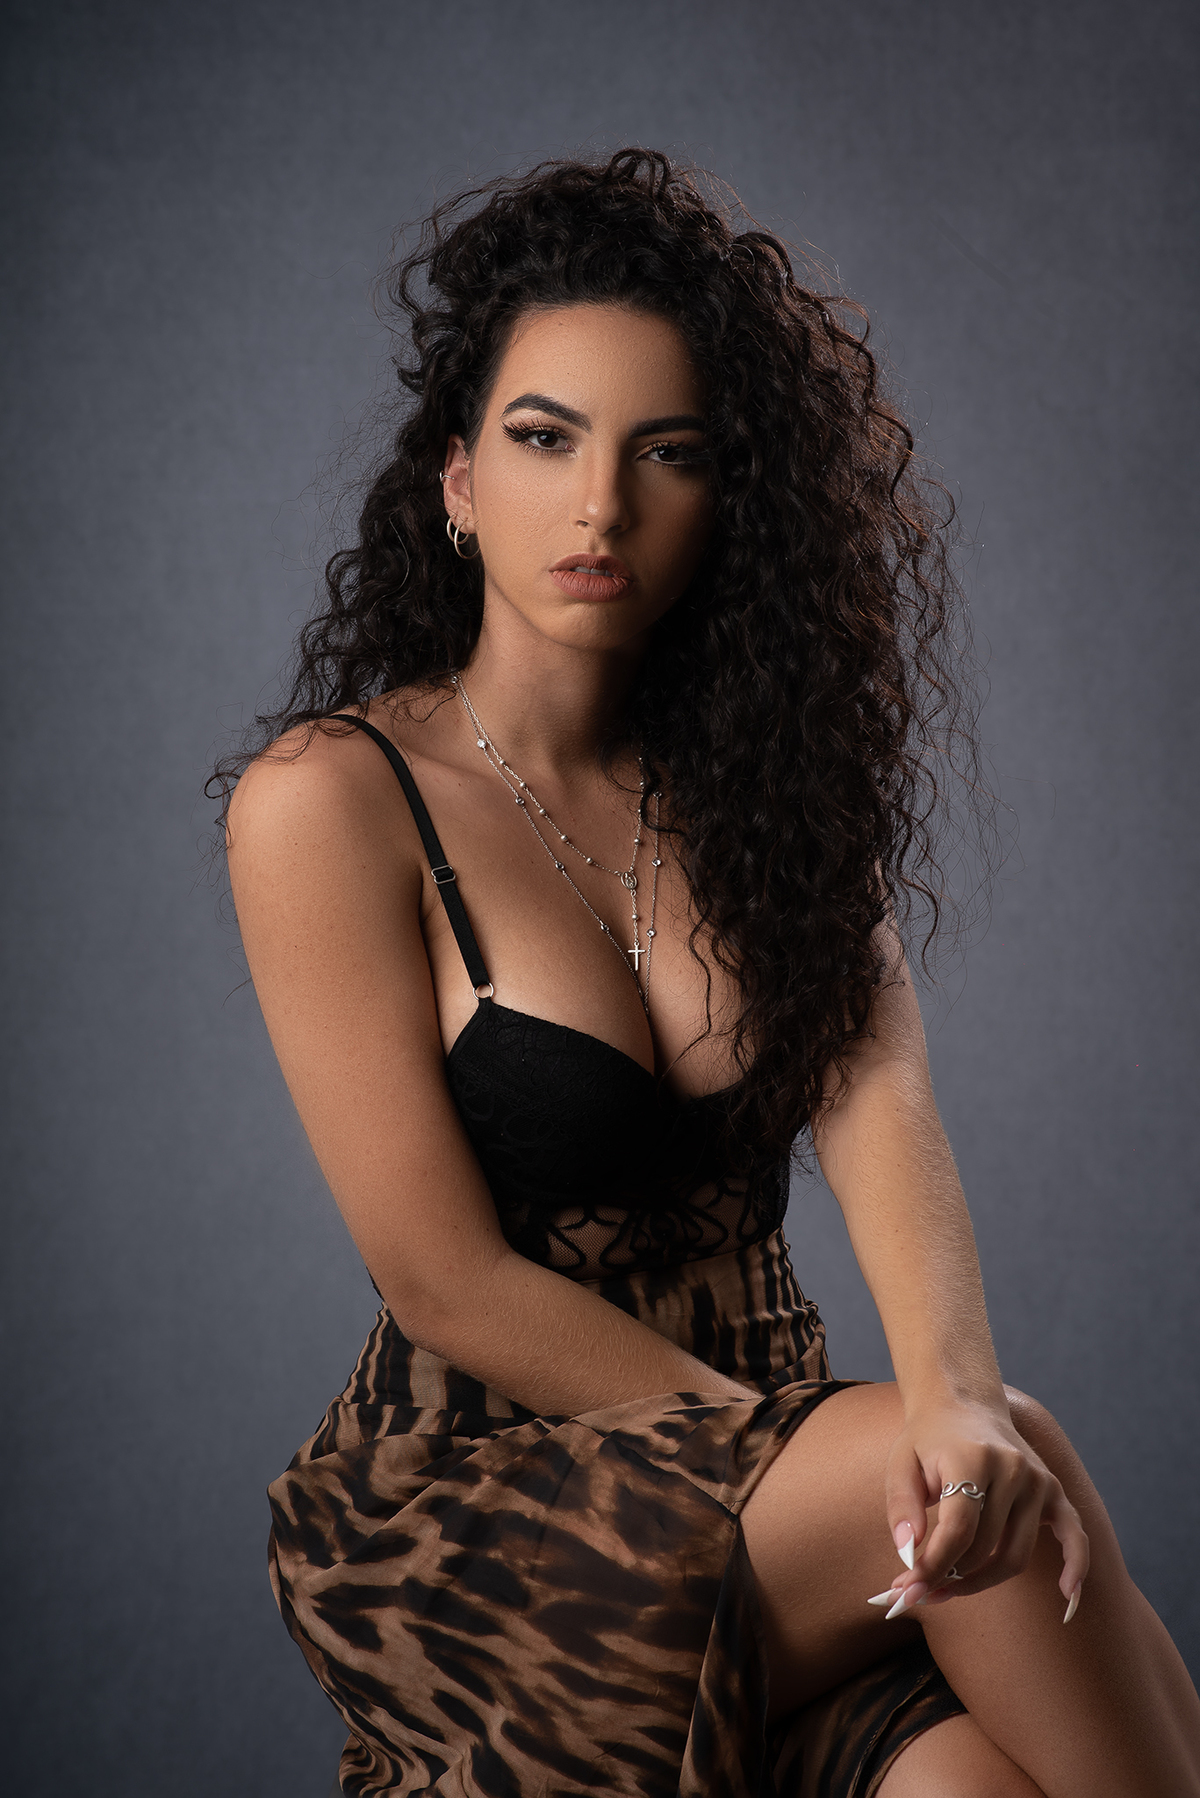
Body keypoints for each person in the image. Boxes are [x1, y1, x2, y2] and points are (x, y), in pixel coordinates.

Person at [217, 150, 1200, 1796]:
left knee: (976, 1729)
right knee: (977, 1479)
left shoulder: (764, 790)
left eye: (664, 452)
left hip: (780, 1465)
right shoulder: (331, 801)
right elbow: (444, 1280)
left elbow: (882, 1103)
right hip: (496, 1505)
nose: (600, 504)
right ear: (457, 481)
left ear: (726, 500)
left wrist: (948, 1401)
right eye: (545, 439)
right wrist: (806, 1455)